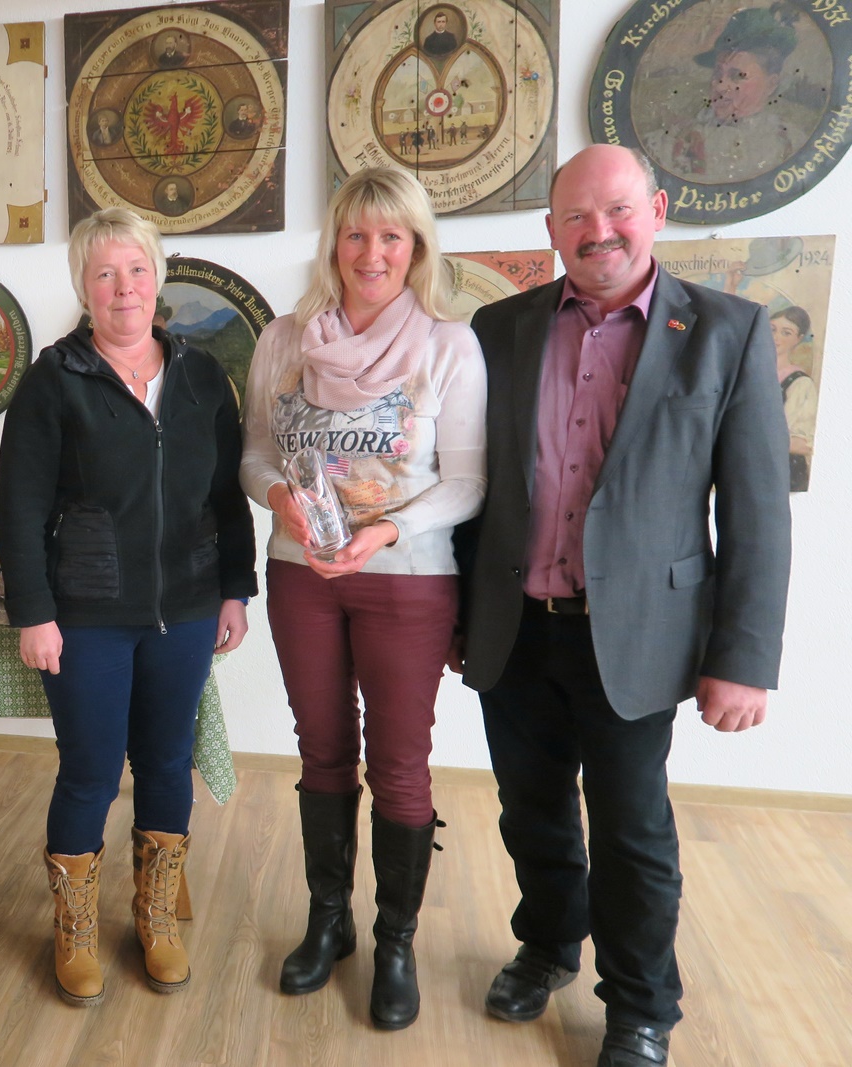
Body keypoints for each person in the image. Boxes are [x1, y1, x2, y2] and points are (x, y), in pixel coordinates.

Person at [457, 145, 790, 1067]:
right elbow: (473, 487)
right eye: (576, 215)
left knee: (632, 829)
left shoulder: (725, 330)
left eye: (616, 210)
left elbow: (756, 510)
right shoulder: (498, 326)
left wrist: (744, 659)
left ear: (658, 210)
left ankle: (642, 1006)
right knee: (529, 810)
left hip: (639, 636)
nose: (597, 231)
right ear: (551, 229)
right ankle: (547, 944)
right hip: (514, 625)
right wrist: (458, 616)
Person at [240, 166, 486, 1031]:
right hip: (301, 573)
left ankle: (395, 942)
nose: (371, 252)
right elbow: (255, 455)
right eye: (356, 234)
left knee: (400, 764)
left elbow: (467, 483)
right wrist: (281, 501)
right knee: (321, 749)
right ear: (334, 243)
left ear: (415, 247)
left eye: (390, 236)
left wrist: (385, 532)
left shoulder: (448, 346)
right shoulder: (284, 340)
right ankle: (328, 920)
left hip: (407, 578)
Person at [0, 206, 256, 1007]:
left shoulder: (201, 376)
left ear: (157, 277)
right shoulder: (52, 381)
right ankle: (75, 927)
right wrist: (33, 612)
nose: (123, 288)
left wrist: (237, 587)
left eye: (137, 270)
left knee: (168, 762)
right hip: (85, 615)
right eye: (105, 273)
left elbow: (227, 496)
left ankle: (155, 915)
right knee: (90, 771)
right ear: (84, 285)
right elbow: (19, 506)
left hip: (187, 608)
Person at [648, 7, 815, 183]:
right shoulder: (671, 141)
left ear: (771, 84)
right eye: (717, 73)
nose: (720, 85)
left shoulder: (790, 142)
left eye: (737, 75)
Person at [770, 305, 817, 491]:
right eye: (772, 329)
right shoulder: (750, 374)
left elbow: (805, 444)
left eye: (786, 333)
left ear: (798, 339)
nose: (776, 337)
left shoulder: (800, 384)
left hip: (783, 473)